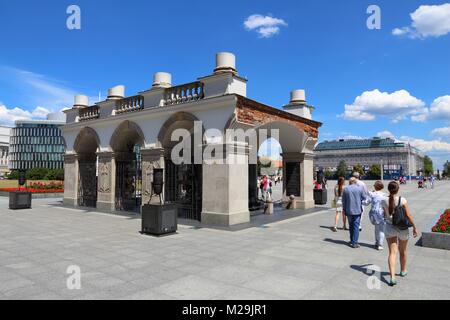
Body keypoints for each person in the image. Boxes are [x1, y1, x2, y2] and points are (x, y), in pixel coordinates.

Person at [381, 181, 419, 286]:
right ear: (398, 190)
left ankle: (392, 277)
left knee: (392, 253)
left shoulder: (383, 200)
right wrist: (414, 227)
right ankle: (403, 271)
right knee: (403, 251)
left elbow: (384, 214)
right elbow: (409, 215)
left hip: (389, 227)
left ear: (388, 189)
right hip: (402, 228)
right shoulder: (402, 200)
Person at [342, 177, 366, 248]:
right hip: (357, 210)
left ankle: (352, 240)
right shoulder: (359, 189)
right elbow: (364, 197)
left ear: (349, 182)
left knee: (351, 225)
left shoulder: (346, 189)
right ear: (355, 182)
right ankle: (354, 242)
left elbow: (344, 200)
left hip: (348, 210)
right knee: (356, 226)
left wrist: (344, 209)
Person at [365, 181, 387, 250]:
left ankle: (377, 242)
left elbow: (366, 203)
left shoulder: (372, 194)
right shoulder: (385, 195)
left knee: (376, 228)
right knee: (382, 229)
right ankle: (380, 244)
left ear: (375, 186)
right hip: (381, 213)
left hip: (373, 213)